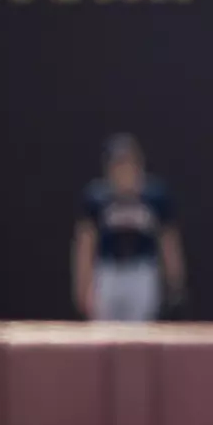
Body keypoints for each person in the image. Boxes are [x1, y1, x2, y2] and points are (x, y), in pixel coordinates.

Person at [73, 134, 186, 322]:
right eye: (118, 164)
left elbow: (168, 240)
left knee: (140, 335)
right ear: (108, 169)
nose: (124, 171)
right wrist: (82, 284)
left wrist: (175, 280)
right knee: (103, 334)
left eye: (128, 163)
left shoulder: (154, 197)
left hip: (142, 272)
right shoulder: (97, 198)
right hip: (108, 272)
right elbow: (85, 243)